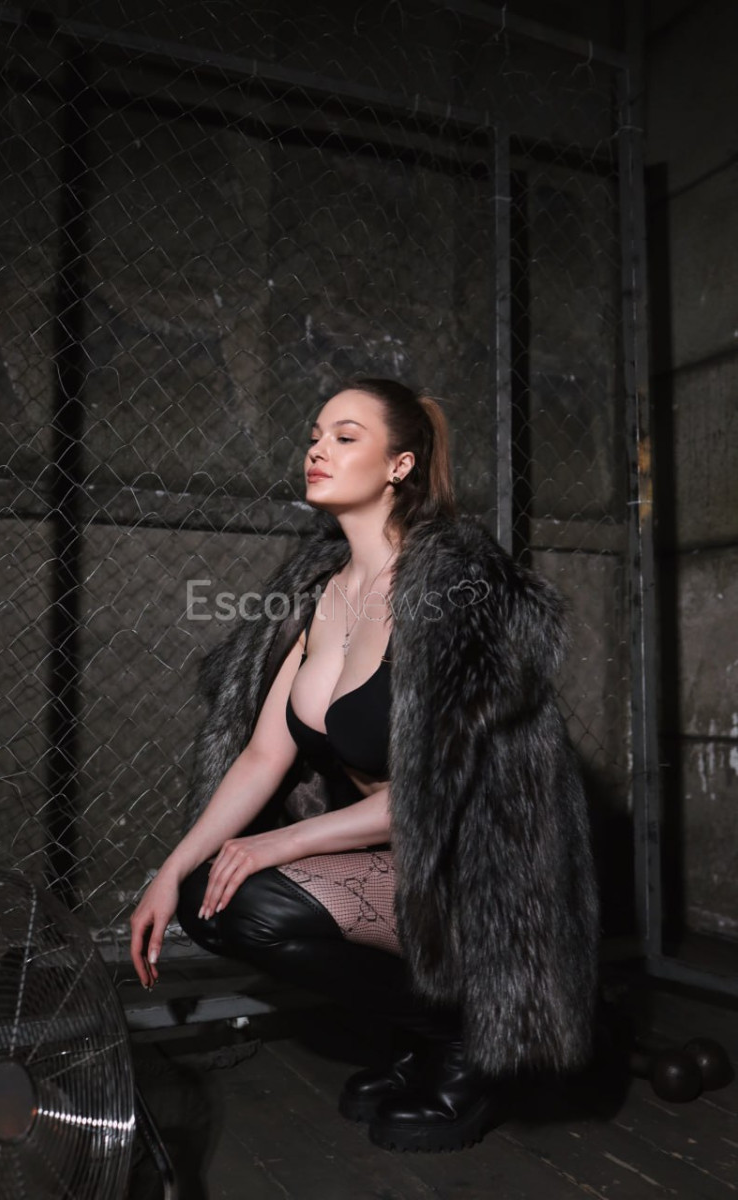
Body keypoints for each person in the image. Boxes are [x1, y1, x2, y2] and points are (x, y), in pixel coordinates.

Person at [130, 377, 600, 1153]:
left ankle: (467, 1044)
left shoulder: (454, 594)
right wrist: (171, 868)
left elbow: (438, 791)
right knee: (201, 900)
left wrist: (277, 843)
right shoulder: (320, 595)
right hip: (386, 860)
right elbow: (263, 754)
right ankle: (425, 1036)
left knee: (254, 900)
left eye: (346, 437)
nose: (318, 449)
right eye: (315, 435)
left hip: (472, 873)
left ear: (399, 466)